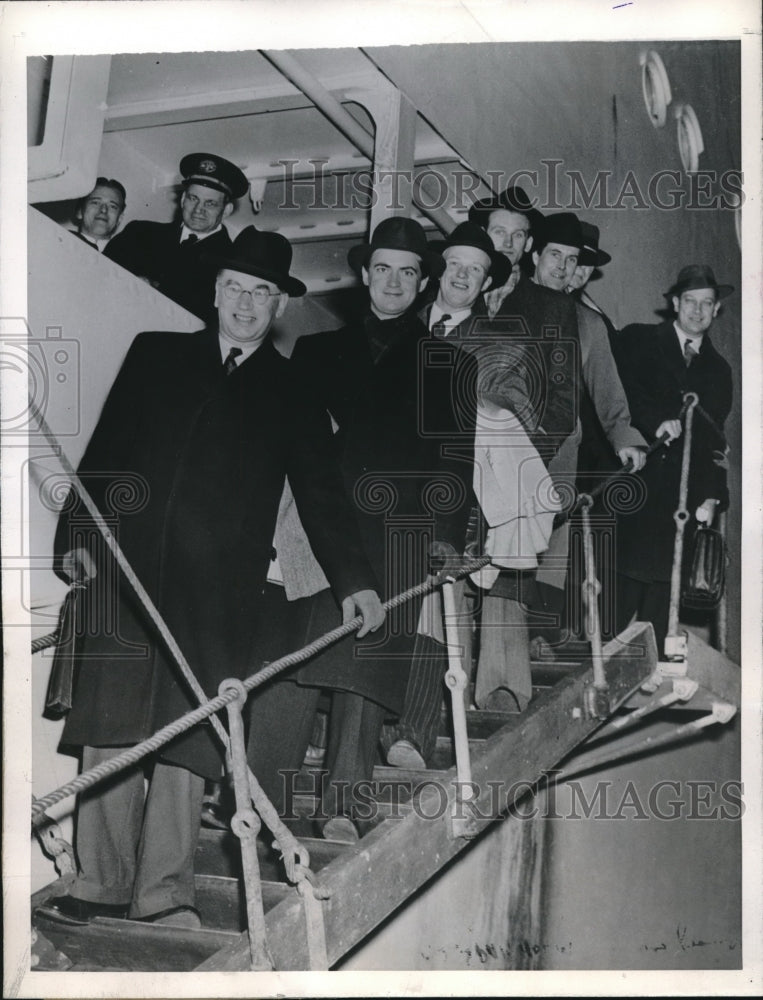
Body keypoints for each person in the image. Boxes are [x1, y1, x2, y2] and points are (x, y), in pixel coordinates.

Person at [37, 227, 383, 929]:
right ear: (214, 290)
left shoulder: (291, 388)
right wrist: (76, 533)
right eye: (236, 287)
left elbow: (319, 490)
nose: (247, 304)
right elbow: (107, 452)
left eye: (262, 293)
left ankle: (164, 894)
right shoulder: (154, 354)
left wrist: (354, 579)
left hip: (216, 592)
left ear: (277, 304)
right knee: (112, 727)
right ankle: (98, 882)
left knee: (188, 735)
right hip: (125, 573)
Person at [247, 216, 477, 843]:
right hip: (313, 527)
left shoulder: (448, 362)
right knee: (295, 659)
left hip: (400, 529)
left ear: (423, 282)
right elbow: (282, 447)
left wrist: (446, 535)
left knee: (365, 667)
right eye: (383, 269)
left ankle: (344, 804)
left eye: (408, 272)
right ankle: (270, 807)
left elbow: (456, 457)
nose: (394, 282)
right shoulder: (316, 352)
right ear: (365, 276)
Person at [383, 222, 561, 769]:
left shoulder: (504, 341)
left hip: (469, 496)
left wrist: (485, 411)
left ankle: (442, 718)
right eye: (455, 263)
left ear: (487, 283)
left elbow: (529, 419)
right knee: (409, 610)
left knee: (454, 602)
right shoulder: (397, 326)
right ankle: (402, 718)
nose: (462, 275)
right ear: (438, 269)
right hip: (394, 491)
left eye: (475, 269)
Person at [613, 265, 733, 653]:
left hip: (680, 503)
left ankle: (644, 670)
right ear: (675, 303)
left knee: (663, 599)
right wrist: (653, 422)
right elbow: (619, 396)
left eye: (707, 304)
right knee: (615, 594)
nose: (698, 311)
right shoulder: (638, 340)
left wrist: (713, 496)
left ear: (716, 311)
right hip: (635, 486)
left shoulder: (719, 370)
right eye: (691, 302)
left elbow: (716, 442)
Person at [104, 152, 248, 323]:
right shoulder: (139, 233)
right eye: (193, 198)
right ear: (182, 200)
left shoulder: (233, 266)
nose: (198, 209)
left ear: (226, 211)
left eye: (210, 203)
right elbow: (101, 277)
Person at [70, 177, 126, 251]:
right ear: (80, 211)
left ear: (119, 218)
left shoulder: (126, 258)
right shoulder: (59, 240)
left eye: (112, 206)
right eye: (95, 202)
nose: (103, 210)